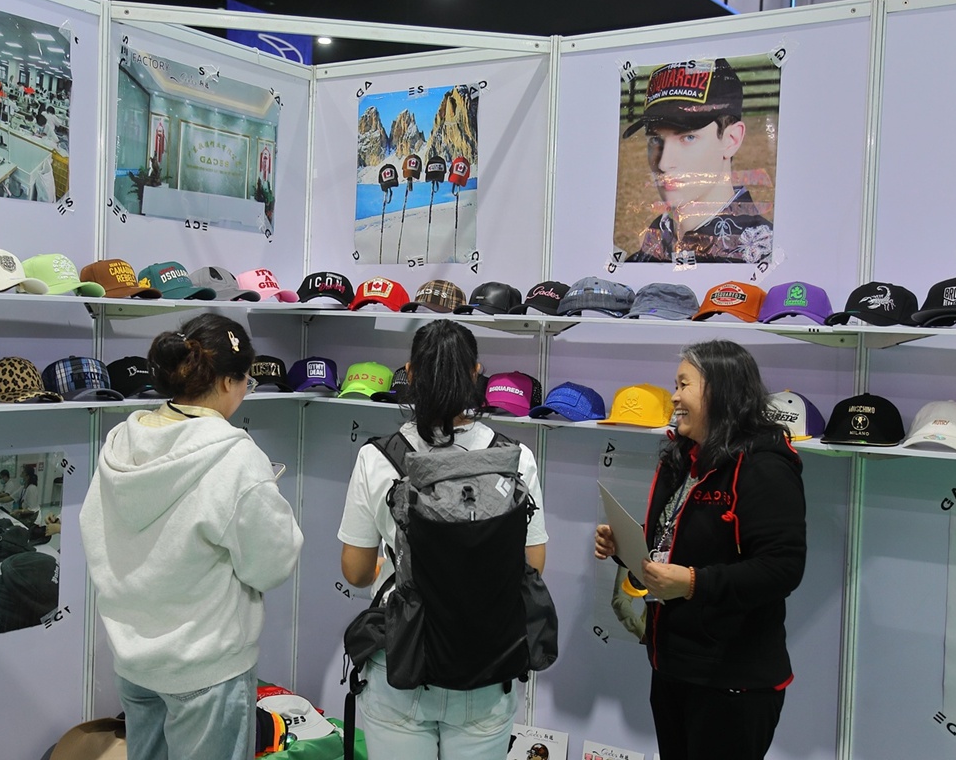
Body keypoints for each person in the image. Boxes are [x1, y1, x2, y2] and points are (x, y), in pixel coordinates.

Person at [80, 313, 303, 760]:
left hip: (134, 658)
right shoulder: (235, 458)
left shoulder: (122, 440)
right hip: (205, 669)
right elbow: (273, 564)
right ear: (226, 381)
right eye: (246, 381)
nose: (245, 391)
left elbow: (96, 531)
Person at [338, 320, 548, 760]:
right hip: (487, 662)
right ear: (476, 373)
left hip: (402, 657)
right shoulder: (514, 459)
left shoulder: (377, 457)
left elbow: (355, 572)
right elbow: (533, 565)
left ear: (410, 374)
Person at [593, 339, 806, 760]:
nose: (674, 396)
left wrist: (693, 583)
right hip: (673, 666)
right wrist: (627, 548)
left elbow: (783, 568)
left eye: (683, 384)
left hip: (732, 680)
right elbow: (678, 542)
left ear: (720, 390)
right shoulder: (682, 459)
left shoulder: (764, 465)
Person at [623, 59, 773, 265]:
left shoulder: (766, 261)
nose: (664, 163)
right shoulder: (641, 259)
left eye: (688, 137)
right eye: (656, 140)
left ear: (731, 140)